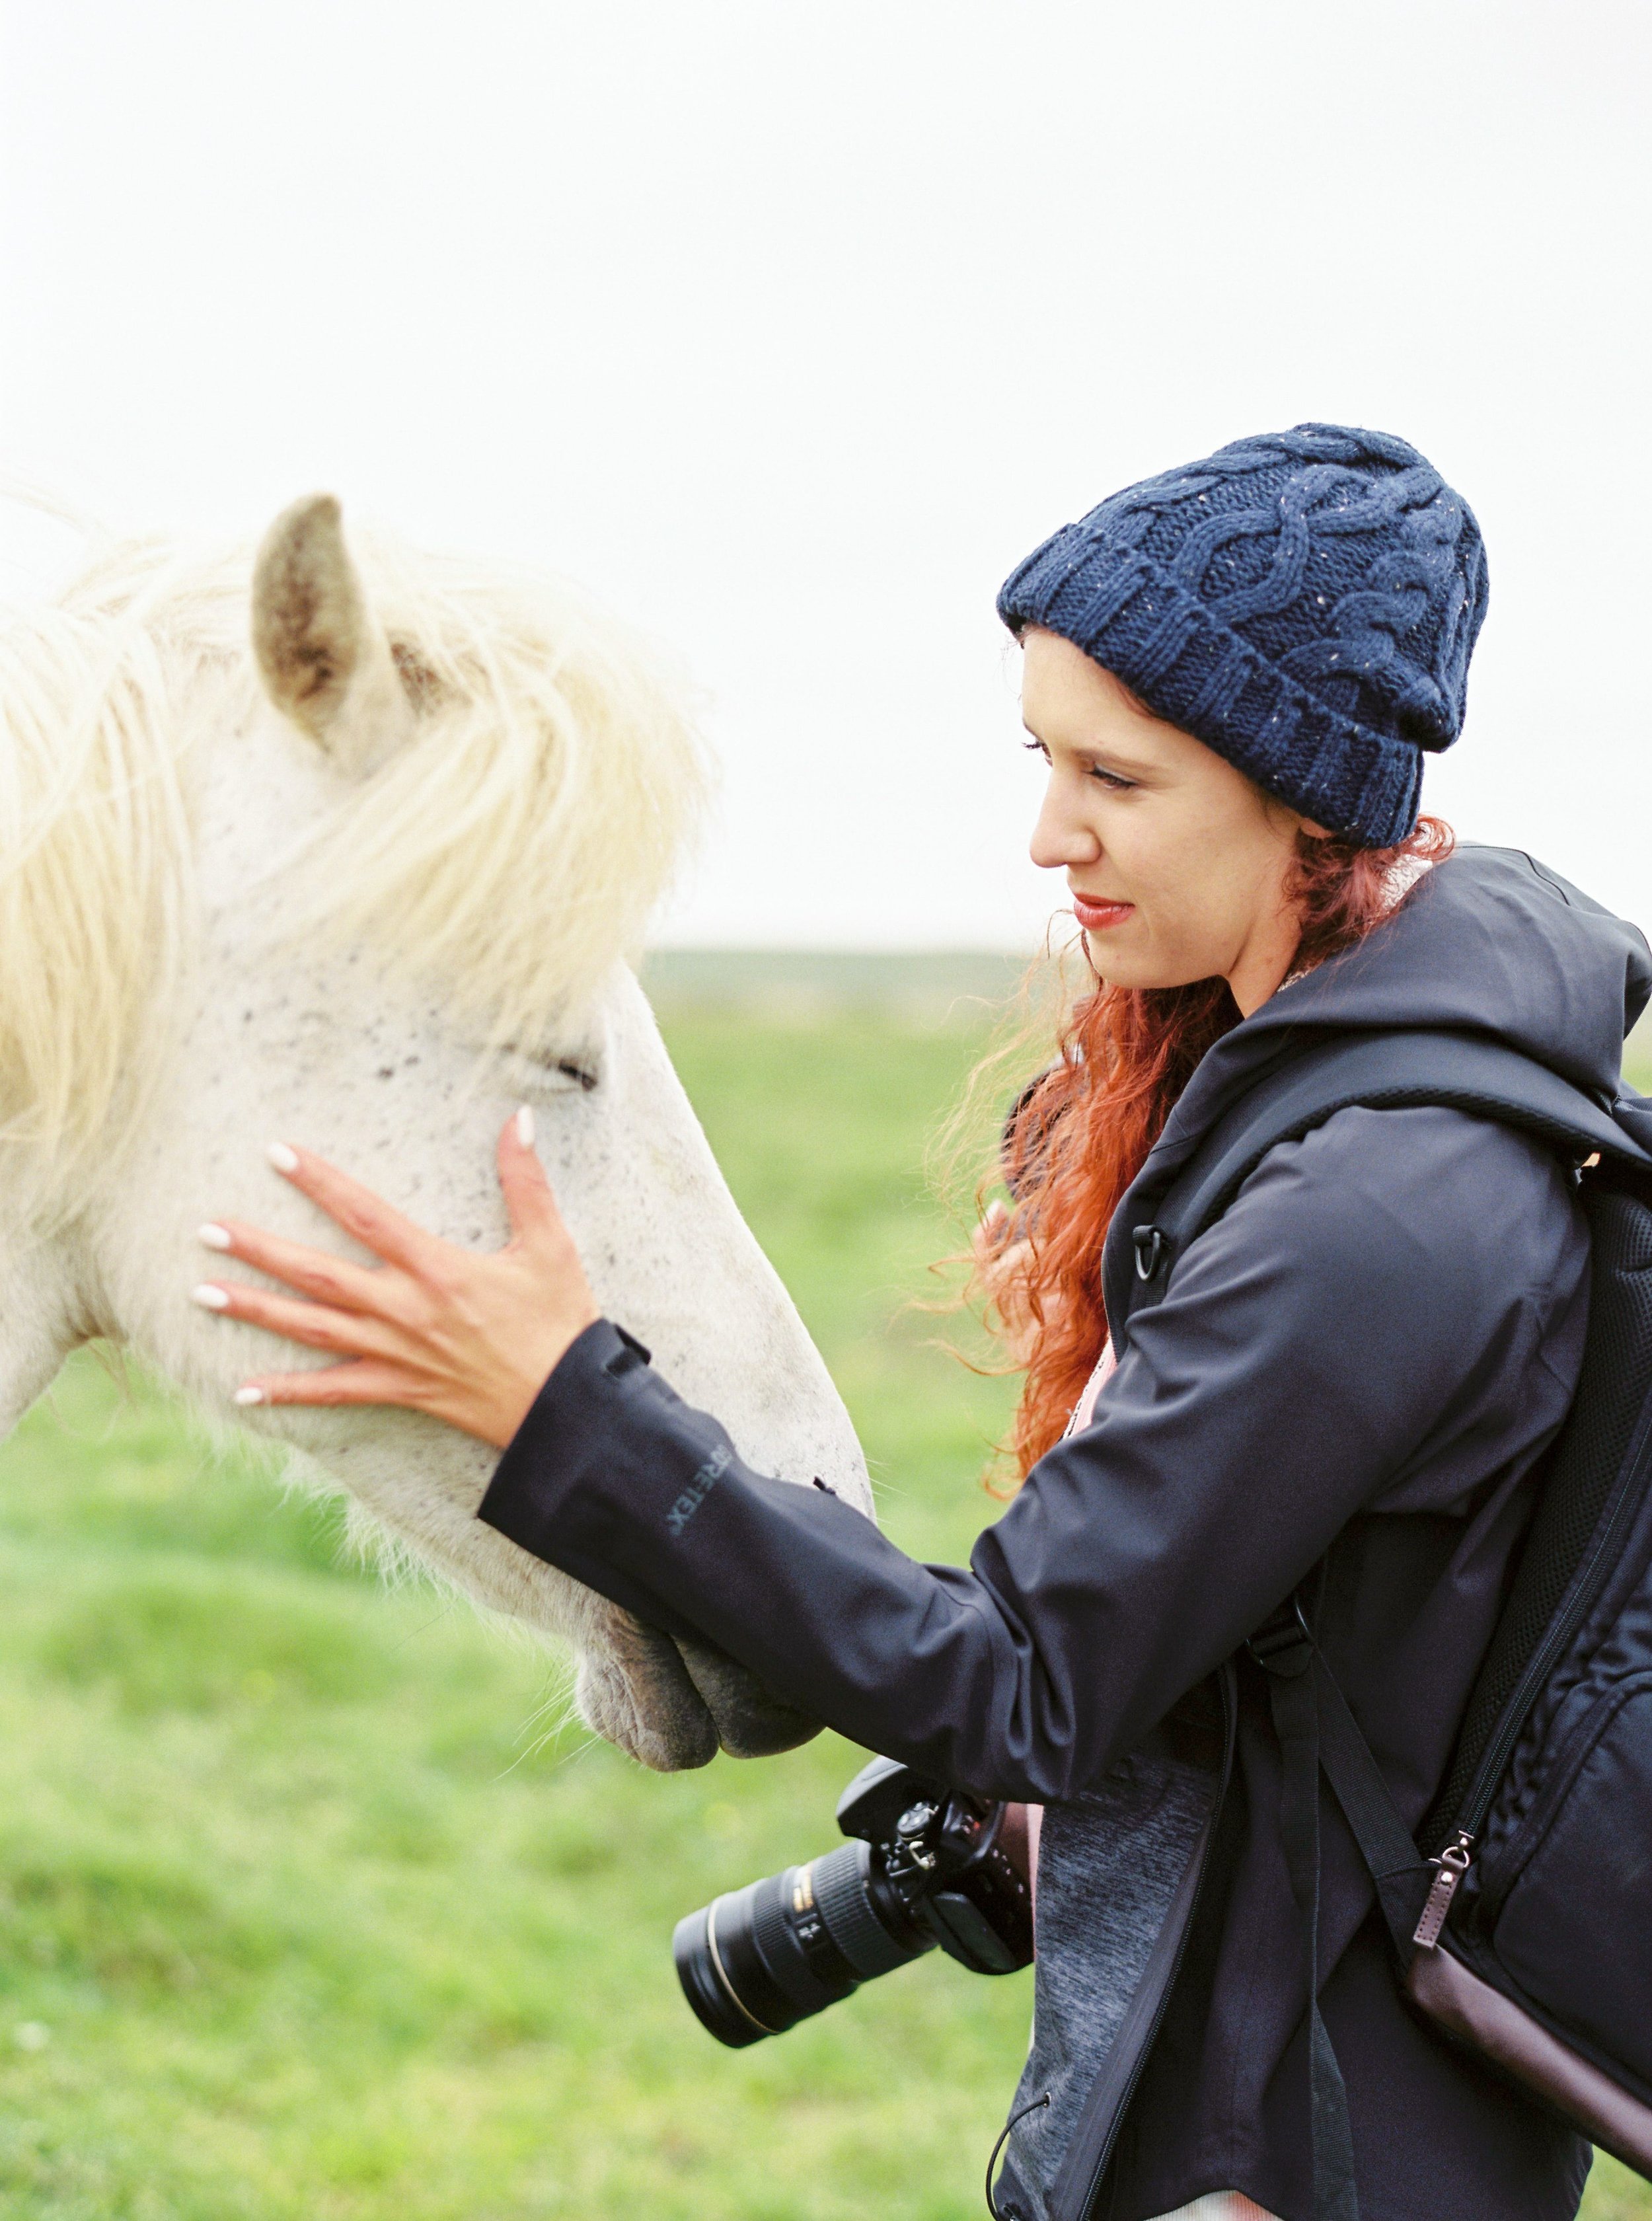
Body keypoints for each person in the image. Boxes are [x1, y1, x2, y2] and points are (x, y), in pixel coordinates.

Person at [189, 426, 1651, 2221]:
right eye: (1040, 756)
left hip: (1293, 2157)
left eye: (1114, 775)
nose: (1049, 833)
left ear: (1301, 797)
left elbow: (1016, 1679)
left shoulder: (1378, 1207)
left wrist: (562, 1408)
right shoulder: (1326, 1090)